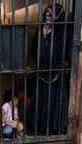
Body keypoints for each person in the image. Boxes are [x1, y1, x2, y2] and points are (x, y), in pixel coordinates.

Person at [28, 3, 70, 135]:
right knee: (40, 101)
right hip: (42, 72)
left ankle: (52, 129)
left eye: (50, 15)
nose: (47, 17)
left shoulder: (61, 34)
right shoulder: (39, 31)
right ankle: (39, 127)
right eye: (46, 14)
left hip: (56, 74)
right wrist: (43, 34)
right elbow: (34, 49)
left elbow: (63, 54)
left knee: (53, 103)